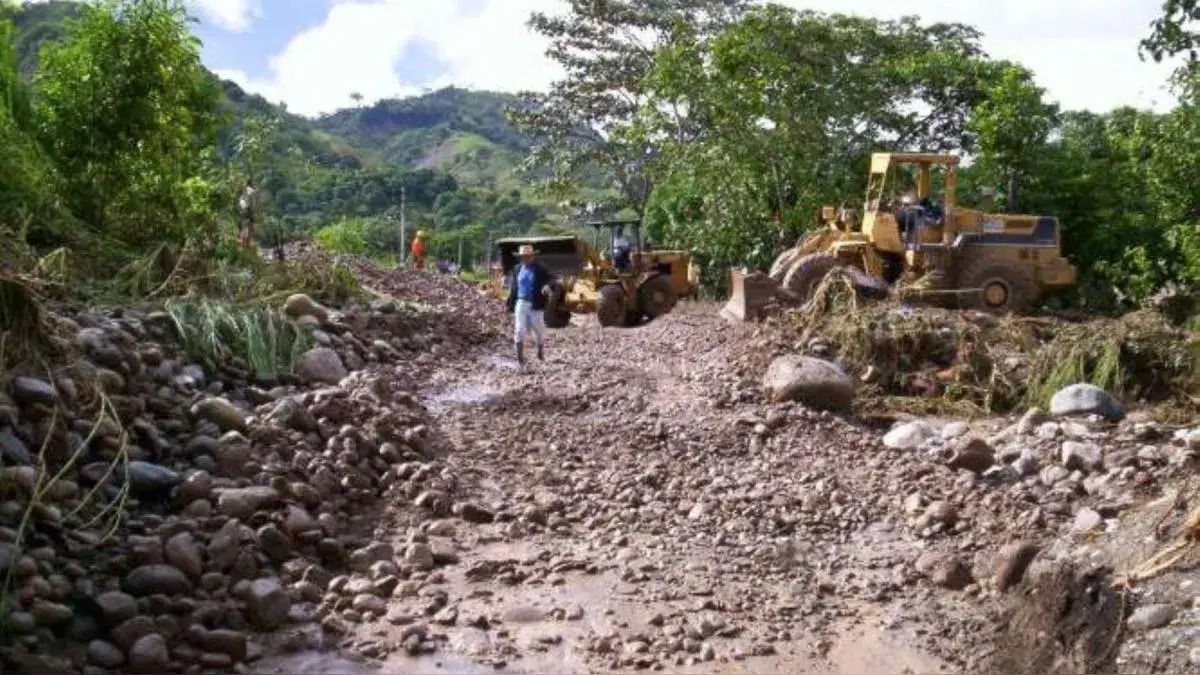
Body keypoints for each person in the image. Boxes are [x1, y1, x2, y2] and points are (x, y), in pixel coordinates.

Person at [505, 243, 553, 367]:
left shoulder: (539, 268)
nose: (525, 258)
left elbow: (552, 279)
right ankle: (520, 358)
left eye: (527, 256)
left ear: (532, 256)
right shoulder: (517, 269)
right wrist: (509, 302)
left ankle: (540, 349)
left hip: (535, 303)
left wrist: (548, 285)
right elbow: (513, 286)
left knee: (537, 330)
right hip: (520, 302)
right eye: (523, 256)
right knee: (519, 329)